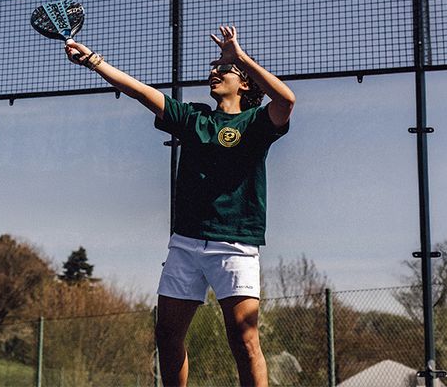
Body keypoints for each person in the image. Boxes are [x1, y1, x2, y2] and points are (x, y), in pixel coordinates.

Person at [64, 25, 295, 387]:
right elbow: (140, 92)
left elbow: (286, 100)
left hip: (235, 244)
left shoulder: (256, 122)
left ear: (245, 84)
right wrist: (94, 61)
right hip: (185, 242)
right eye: (214, 67)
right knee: (167, 334)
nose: (214, 71)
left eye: (224, 69)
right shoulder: (193, 118)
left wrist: (240, 57)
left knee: (245, 339)